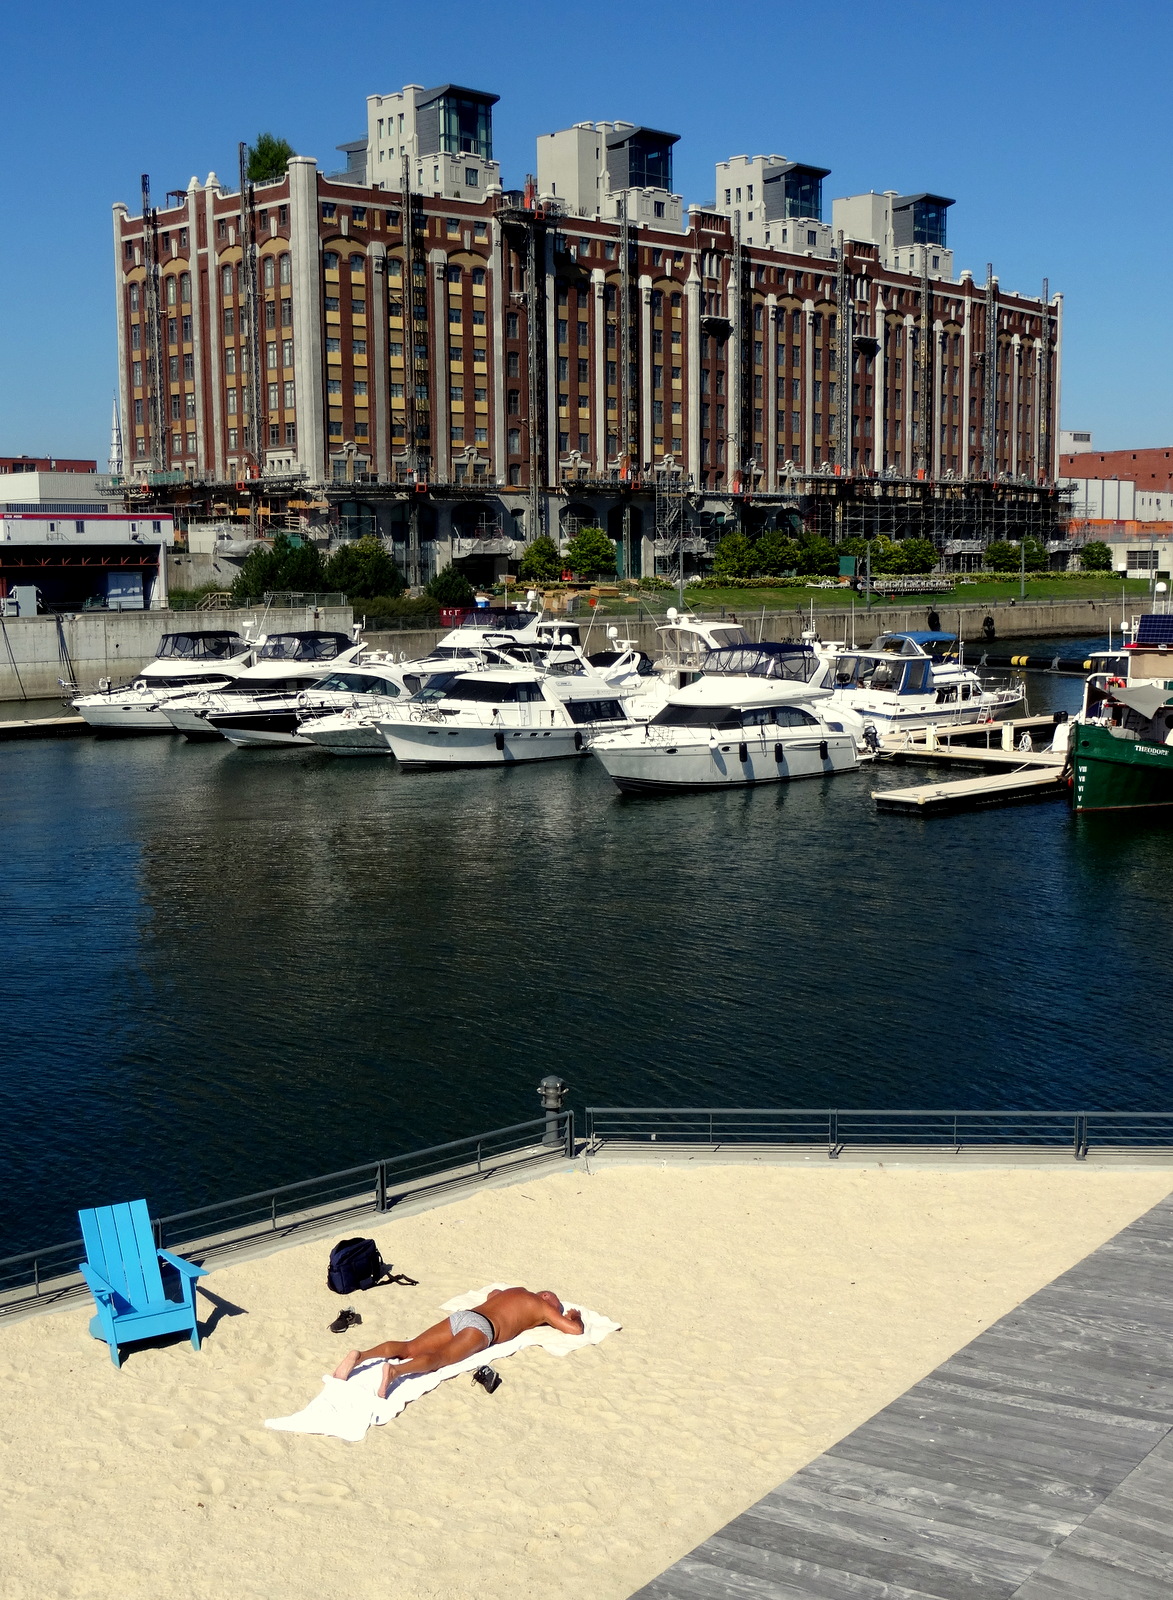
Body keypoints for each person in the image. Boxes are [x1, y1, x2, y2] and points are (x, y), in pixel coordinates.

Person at [333, 1286, 585, 1398]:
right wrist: (575, 1317)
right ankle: (395, 1371)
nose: (554, 1309)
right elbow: (573, 1330)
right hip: (482, 1328)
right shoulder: (542, 1306)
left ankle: (361, 1355)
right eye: (555, 1305)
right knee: (440, 1358)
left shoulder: (515, 1290)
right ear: (547, 1299)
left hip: (466, 1315)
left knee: (409, 1346)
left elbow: (492, 1294)